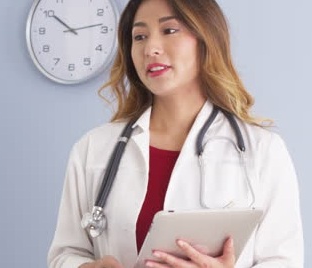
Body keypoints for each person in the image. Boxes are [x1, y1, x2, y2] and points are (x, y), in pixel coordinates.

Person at [47, 0, 303, 267]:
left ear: (206, 38)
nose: (150, 48)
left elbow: (285, 261)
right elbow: (64, 254)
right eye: (139, 36)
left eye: (169, 30)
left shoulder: (263, 151)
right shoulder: (93, 149)